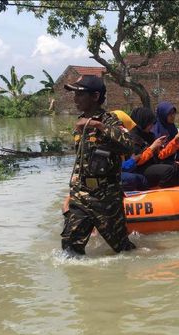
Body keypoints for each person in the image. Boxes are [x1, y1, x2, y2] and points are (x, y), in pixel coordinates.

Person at [60, 75, 136, 256]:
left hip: (106, 197)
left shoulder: (109, 121)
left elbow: (128, 145)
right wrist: (71, 193)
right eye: (74, 94)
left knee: (122, 249)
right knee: (70, 245)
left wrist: (97, 126)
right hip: (82, 193)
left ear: (95, 97)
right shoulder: (79, 123)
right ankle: (79, 282)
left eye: (80, 94)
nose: (75, 99)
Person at [127, 107, 179, 188]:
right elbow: (137, 160)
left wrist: (175, 141)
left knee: (176, 166)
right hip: (140, 168)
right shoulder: (132, 137)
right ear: (143, 122)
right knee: (167, 170)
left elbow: (160, 155)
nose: (152, 126)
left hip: (152, 163)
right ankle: (157, 191)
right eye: (150, 124)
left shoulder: (149, 135)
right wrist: (153, 147)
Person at [110, 110, 150, 191]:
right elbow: (117, 168)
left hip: (119, 172)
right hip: (110, 176)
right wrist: (133, 160)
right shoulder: (109, 140)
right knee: (136, 178)